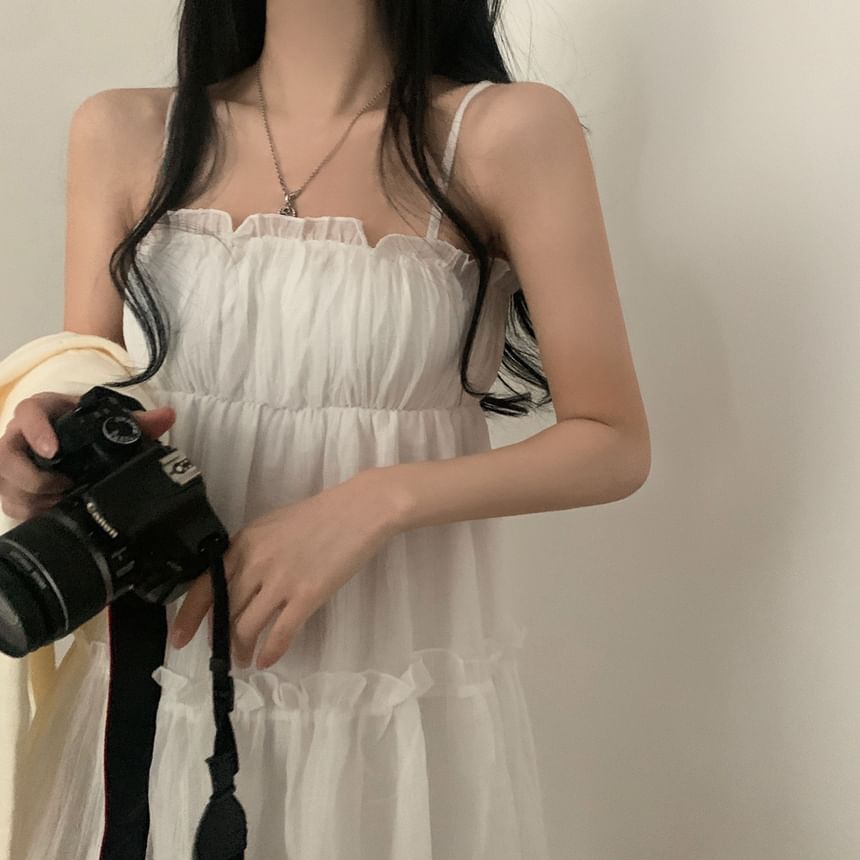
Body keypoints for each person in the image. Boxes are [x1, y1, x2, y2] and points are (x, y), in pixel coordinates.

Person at [0, 0, 651, 857]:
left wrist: (371, 503)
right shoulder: (123, 131)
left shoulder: (505, 133)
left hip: (379, 679)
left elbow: (612, 441)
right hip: (158, 680)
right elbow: (94, 377)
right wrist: (41, 445)